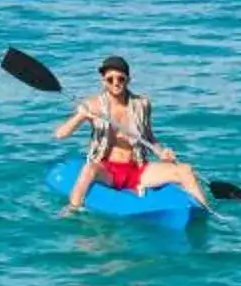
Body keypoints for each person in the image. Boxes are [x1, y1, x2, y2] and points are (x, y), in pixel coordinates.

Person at [53, 55, 212, 213]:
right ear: (103, 81)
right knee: (88, 169)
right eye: (110, 79)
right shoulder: (92, 105)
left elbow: (149, 138)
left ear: (128, 80)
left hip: (137, 168)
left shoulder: (142, 104)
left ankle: (206, 213)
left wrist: (161, 152)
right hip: (108, 169)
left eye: (120, 79)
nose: (115, 83)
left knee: (186, 170)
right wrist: (81, 116)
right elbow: (60, 135)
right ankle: (72, 210)